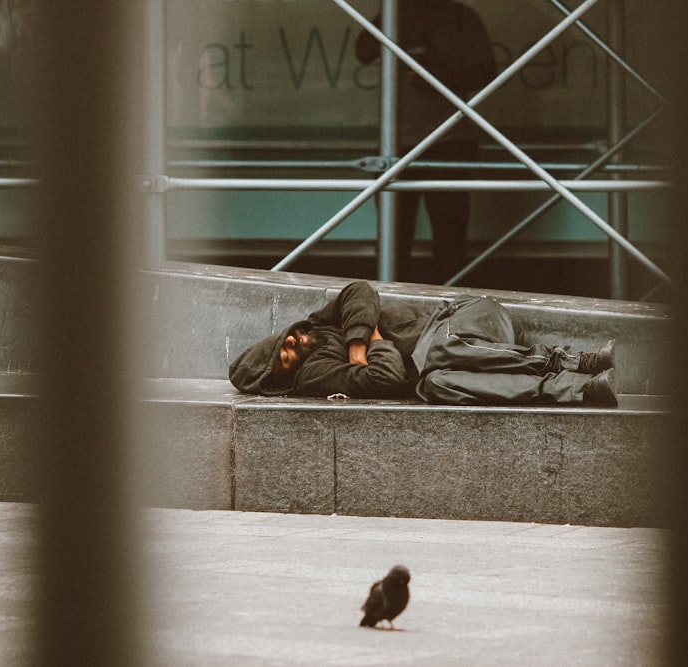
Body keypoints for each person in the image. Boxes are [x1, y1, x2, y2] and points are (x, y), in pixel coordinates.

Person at [228, 281, 618, 407]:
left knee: (437, 352)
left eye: (286, 339)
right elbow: (388, 375)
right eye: (288, 354)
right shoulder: (316, 374)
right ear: (284, 375)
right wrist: (376, 337)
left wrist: (359, 342)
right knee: (437, 385)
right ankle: (581, 389)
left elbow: (359, 290)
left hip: (470, 316)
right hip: (453, 360)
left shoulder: (319, 323)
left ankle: (571, 360)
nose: (295, 341)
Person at [355, 0, 497, 283]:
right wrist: (392, 15)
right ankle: (388, 306)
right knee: (393, 237)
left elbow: (486, 72)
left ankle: (450, 310)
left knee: (449, 237)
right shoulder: (393, 14)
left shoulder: (460, 17)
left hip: (450, 140)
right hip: (395, 142)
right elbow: (363, 52)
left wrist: (439, 79)